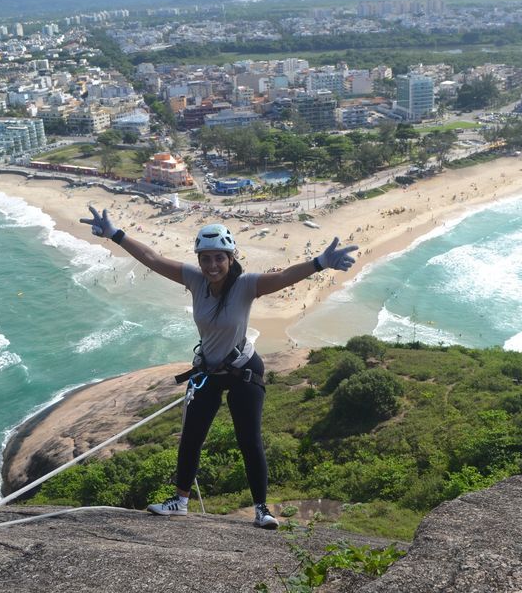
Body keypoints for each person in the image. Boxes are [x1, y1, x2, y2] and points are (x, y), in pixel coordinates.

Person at [82, 205, 357, 529]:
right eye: (206, 258)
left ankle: (261, 510)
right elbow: (153, 259)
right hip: (208, 371)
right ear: (199, 259)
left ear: (231, 257)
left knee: (249, 440)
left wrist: (320, 263)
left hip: (243, 370)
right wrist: (116, 235)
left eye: (219, 258)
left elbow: (283, 277)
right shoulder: (195, 281)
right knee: (191, 437)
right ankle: (180, 502)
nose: (213, 265)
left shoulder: (247, 285)